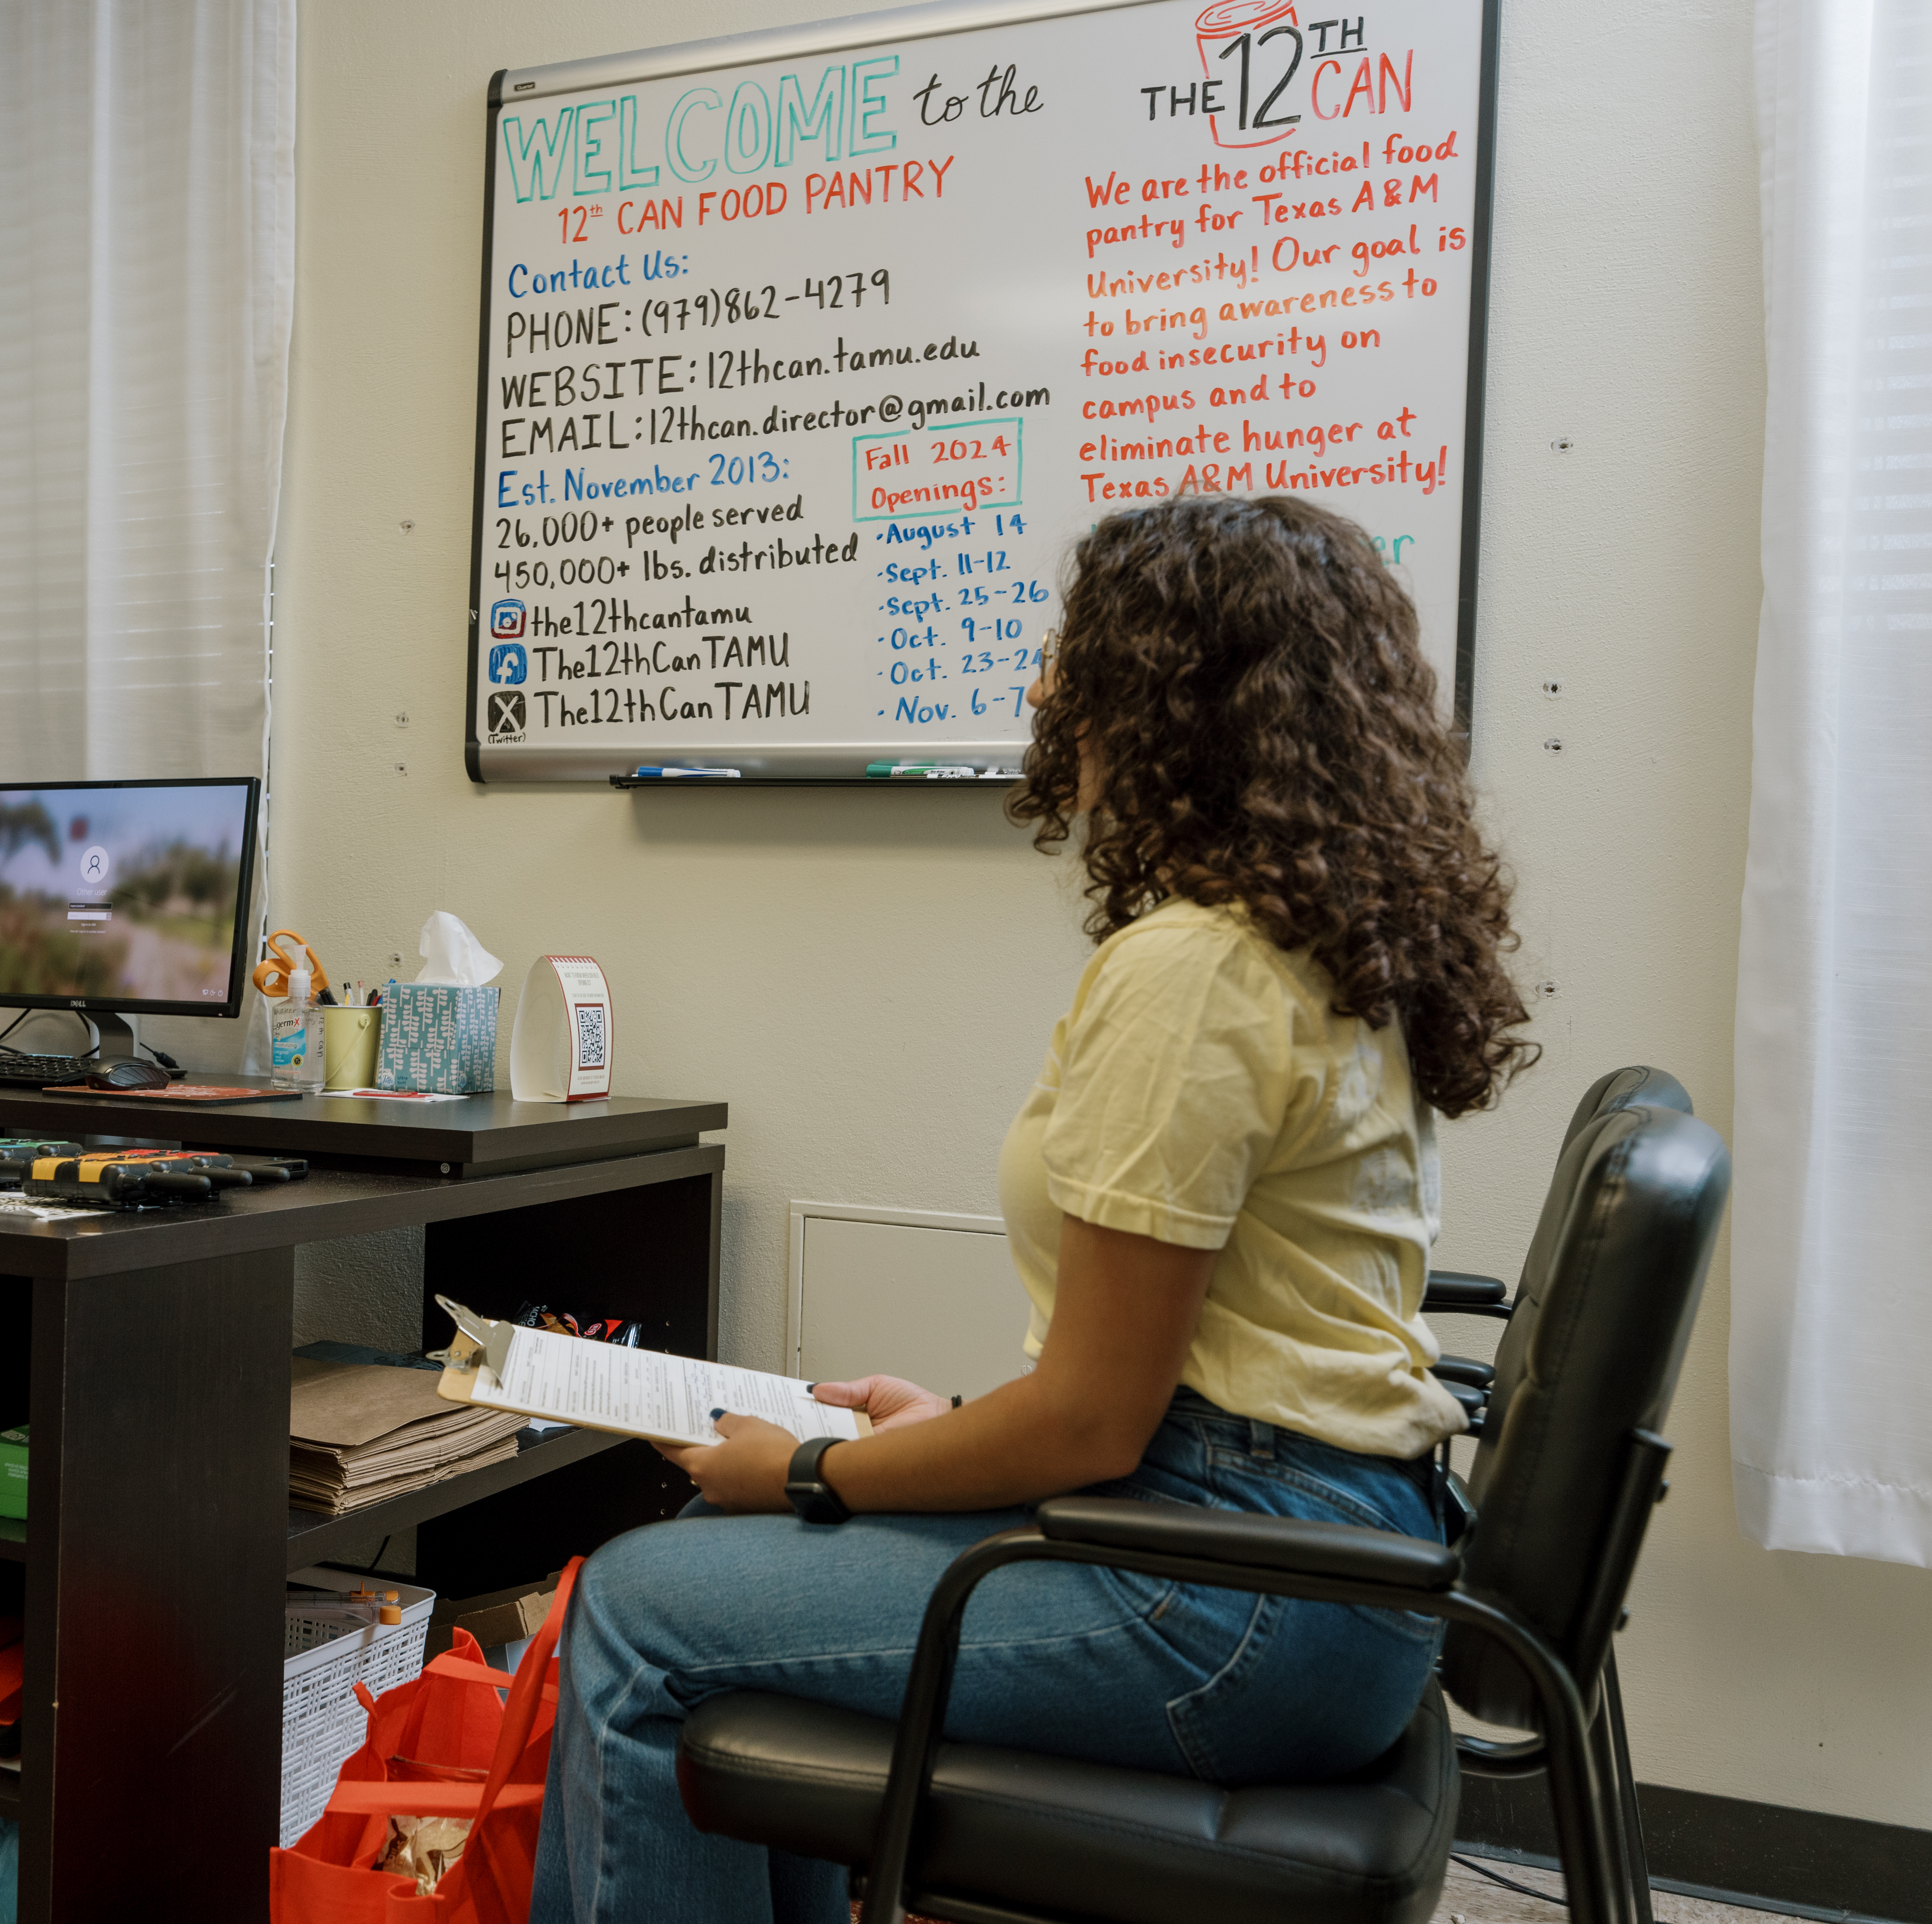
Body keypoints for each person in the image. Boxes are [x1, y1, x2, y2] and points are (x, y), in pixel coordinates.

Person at [527, 495, 1537, 1924]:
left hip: (1236, 1599)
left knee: (639, 1609)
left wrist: (807, 1473)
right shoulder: (1310, 949)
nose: (1043, 685)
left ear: (1164, 694)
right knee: (729, 1602)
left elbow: (1091, 1423)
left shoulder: (1191, 973)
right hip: (1319, 1561)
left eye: (1075, 652)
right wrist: (931, 1433)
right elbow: (1182, 1369)